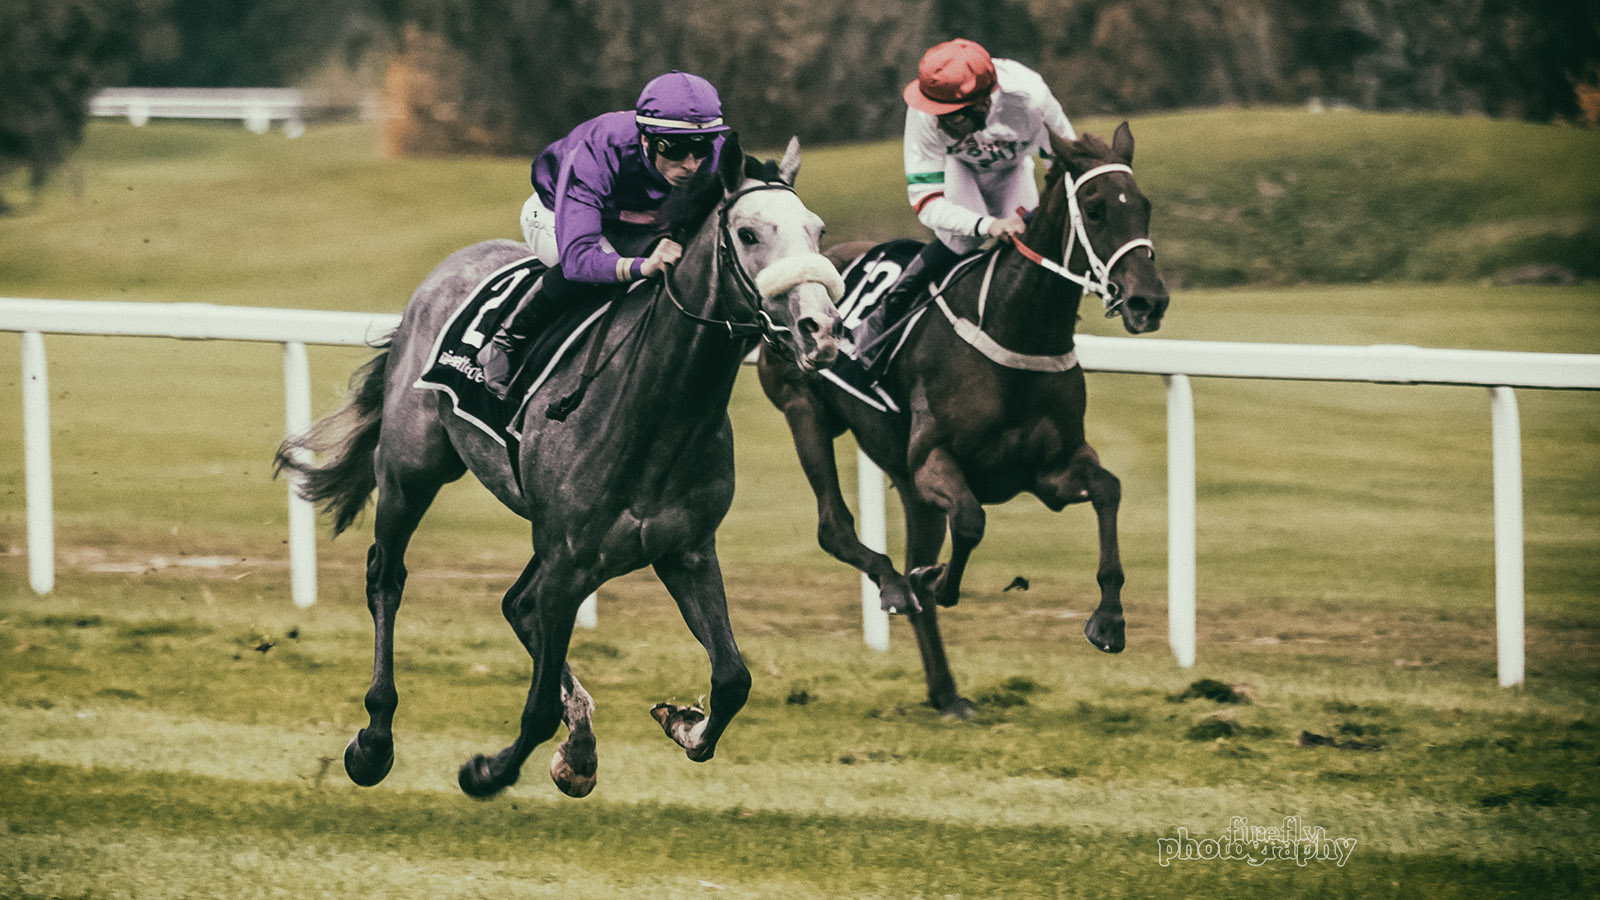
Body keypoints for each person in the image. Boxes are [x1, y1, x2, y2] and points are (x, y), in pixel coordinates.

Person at [476, 70, 730, 398]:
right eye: (676, 149)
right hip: (556, 212)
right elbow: (579, 259)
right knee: (600, 273)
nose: (691, 164)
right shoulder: (597, 150)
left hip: (637, 222)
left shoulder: (713, 152)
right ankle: (506, 341)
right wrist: (641, 266)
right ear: (646, 139)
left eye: (702, 148)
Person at [873, 38, 1078, 335]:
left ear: (983, 103)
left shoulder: (1032, 97)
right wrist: (987, 225)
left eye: (952, 118)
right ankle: (887, 311)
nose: (938, 124)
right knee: (959, 241)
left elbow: (1067, 168)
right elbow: (926, 201)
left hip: (1013, 170)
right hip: (960, 168)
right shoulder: (926, 110)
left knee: (1031, 244)